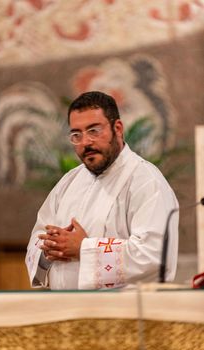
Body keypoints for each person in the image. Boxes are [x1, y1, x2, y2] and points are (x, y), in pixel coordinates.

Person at [25, 91, 179, 290]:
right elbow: (38, 238)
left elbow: (154, 254)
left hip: (123, 314)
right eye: (76, 135)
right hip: (65, 311)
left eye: (94, 131)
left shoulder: (145, 180)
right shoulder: (69, 182)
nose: (85, 142)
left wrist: (83, 248)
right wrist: (51, 248)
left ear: (118, 128)